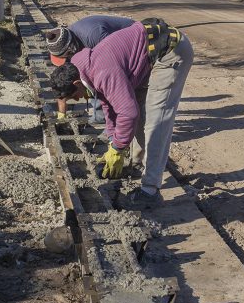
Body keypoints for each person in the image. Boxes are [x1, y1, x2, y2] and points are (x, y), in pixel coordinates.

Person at [49, 18, 194, 208]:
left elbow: (128, 113)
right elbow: (109, 105)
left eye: (75, 96)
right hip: (145, 57)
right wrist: (112, 141)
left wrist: (118, 148)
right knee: (138, 113)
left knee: (155, 120)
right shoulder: (80, 65)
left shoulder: (101, 72)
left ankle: (150, 190)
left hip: (170, 52)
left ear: (77, 83)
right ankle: (136, 164)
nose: (78, 100)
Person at [45, 15, 137, 122]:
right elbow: (64, 86)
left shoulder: (93, 36)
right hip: (105, 53)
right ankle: (101, 118)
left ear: (71, 49)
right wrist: (61, 116)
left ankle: (110, 119)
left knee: (106, 83)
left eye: (65, 58)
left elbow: (113, 68)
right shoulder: (68, 43)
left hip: (132, 42)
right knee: (88, 81)